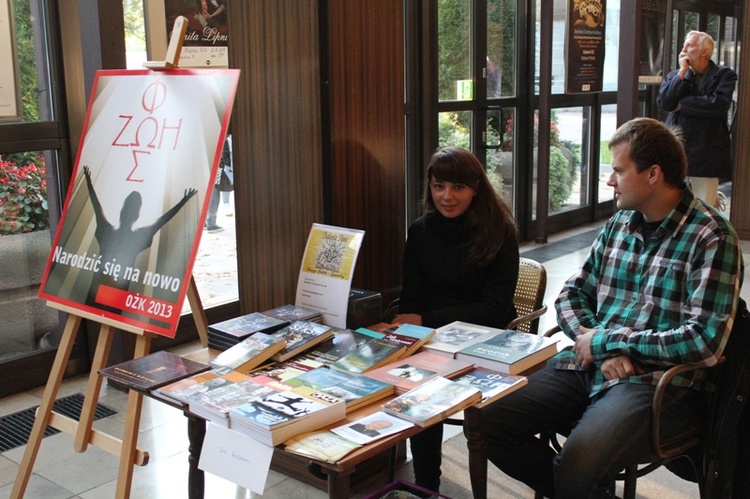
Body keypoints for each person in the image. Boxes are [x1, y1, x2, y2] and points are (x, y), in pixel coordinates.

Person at [479, 117, 744, 498]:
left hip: (656, 384)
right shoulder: (619, 223)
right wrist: (600, 349)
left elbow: (705, 342)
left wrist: (605, 341)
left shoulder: (712, 237)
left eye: (618, 170)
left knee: (578, 466)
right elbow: (570, 296)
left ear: (653, 174)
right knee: (487, 420)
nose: (609, 181)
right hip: (588, 365)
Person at [393, 146, 519, 492]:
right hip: (433, 336)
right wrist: (408, 329)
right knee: (406, 379)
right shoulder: (420, 231)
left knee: (425, 383)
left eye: (458, 187)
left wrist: (426, 318)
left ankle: (426, 483)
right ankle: (426, 486)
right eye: (438, 186)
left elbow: (493, 309)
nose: (446, 197)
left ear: (476, 188)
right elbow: (412, 296)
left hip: (486, 340)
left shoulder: (499, 231)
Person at [657, 31, 737, 210]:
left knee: (705, 206)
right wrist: (683, 72)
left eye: (690, 45)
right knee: (674, 202)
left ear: (705, 52)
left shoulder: (724, 75)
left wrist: (683, 105)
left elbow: (718, 104)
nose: (684, 49)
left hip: (707, 150)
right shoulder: (676, 75)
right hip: (678, 146)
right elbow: (666, 102)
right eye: (684, 44)